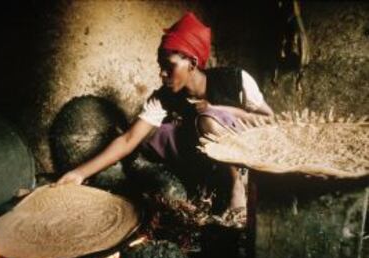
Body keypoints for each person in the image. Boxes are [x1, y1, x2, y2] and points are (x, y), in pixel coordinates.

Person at [56, 12, 273, 226]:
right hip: (201, 171)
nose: (162, 74)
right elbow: (128, 139)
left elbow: (269, 120)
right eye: (161, 67)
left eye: (169, 66)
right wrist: (79, 173)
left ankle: (237, 185)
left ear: (193, 63)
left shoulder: (236, 80)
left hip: (243, 163)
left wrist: (221, 110)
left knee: (207, 119)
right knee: (165, 138)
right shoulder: (164, 98)